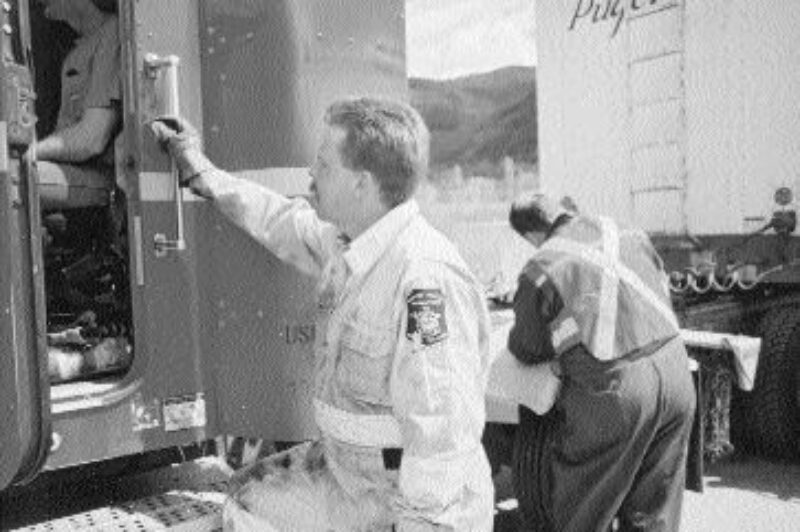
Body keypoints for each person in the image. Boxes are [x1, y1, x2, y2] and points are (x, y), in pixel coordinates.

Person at [150, 98, 496, 531]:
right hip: (349, 479)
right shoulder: (350, 242)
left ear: (361, 185)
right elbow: (278, 219)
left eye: (324, 165)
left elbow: (442, 440)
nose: (311, 175)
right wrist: (201, 172)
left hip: (401, 502)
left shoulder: (424, 280)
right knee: (242, 501)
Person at [506, 193, 696, 532]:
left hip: (619, 394)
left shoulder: (541, 267)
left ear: (531, 236)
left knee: (585, 509)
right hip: (677, 371)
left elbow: (527, 347)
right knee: (654, 512)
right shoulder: (626, 231)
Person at [35, 0, 121, 210]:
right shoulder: (78, 45)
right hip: (70, 168)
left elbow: (91, 139)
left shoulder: (112, 33)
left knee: (10, 178)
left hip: (99, 175)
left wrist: (31, 152)